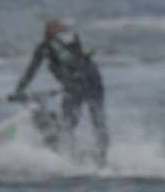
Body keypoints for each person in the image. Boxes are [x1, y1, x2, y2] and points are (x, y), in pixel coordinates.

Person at [11, 19, 108, 163]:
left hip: (77, 85)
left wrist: (19, 90)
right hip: (94, 81)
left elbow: (32, 70)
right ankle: (102, 156)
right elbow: (77, 61)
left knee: (69, 123)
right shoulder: (73, 39)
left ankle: (69, 155)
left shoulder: (46, 46)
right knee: (97, 120)